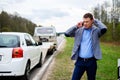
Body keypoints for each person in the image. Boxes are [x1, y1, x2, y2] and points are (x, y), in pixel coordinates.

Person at [64, 13, 107, 80]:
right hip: (80, 61)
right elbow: (66, 33)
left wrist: (95, 21)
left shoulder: (96, 31)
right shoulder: (78, 30)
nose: (85, 23)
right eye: (84, 21)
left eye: (87, 21)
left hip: (91, 62)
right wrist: (76, 26)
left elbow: (104, 29)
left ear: (92, 21)